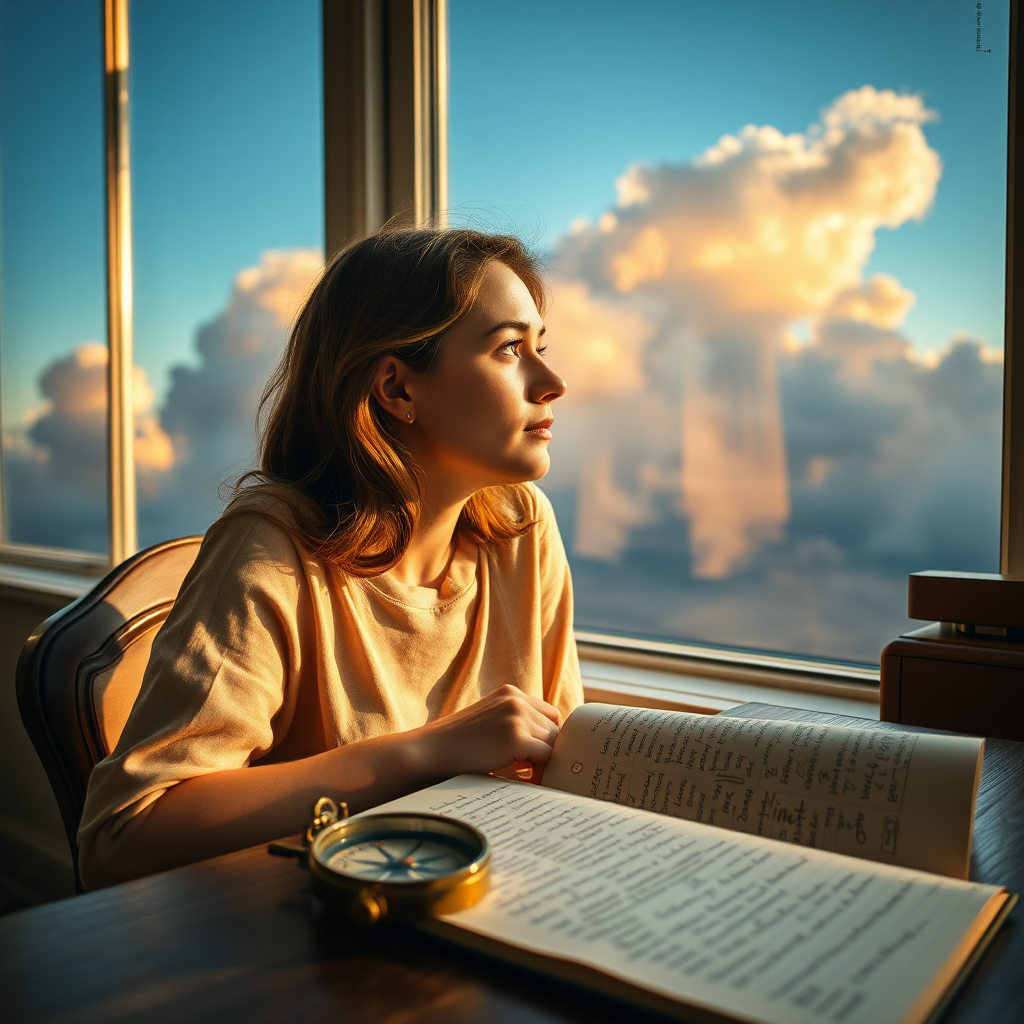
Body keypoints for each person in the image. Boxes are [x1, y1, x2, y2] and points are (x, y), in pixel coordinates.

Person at [78, 228, 583, 890]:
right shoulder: (270, 552)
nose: (553, 382)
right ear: (398, 390)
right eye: (510, 350)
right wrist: (426, 753)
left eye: (539, 348)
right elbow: (122, 838)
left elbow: (564, 761)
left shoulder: (522, 527)